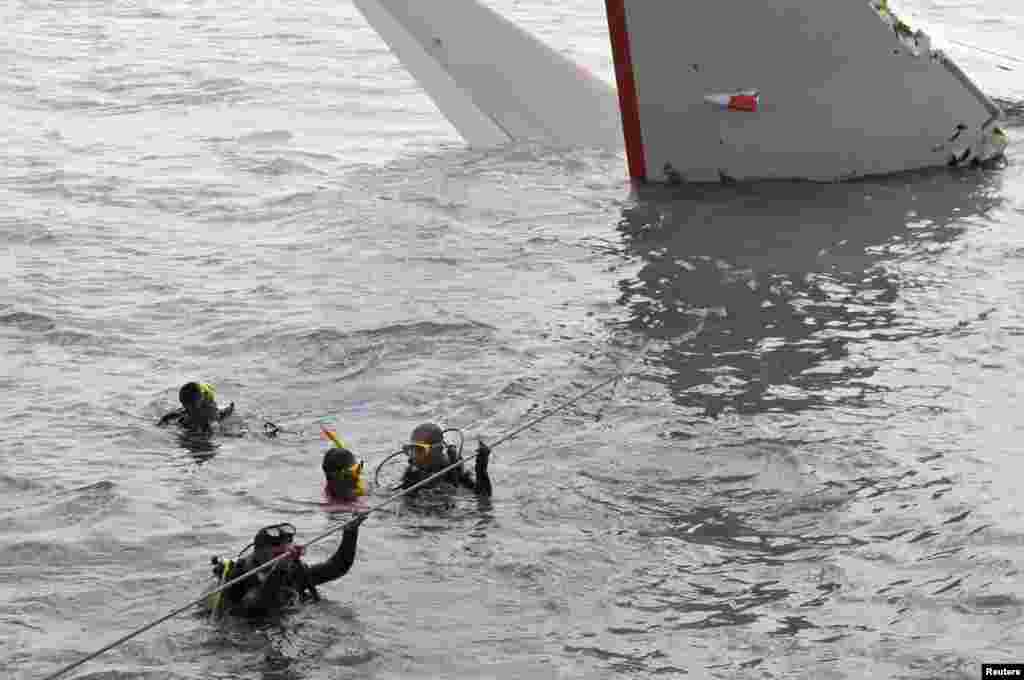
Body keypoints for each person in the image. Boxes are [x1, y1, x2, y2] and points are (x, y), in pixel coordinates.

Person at [207, 515, 365, 618]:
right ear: (259, 552)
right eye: (277, 551)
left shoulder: (294, 569)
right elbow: (259, 607)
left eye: (287, 547)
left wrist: (350, 533)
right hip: (249, 634)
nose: (285, 553)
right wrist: (280, 568)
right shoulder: (241, 575)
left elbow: (337, 567)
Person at [398, 422, 492, 497]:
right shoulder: (412, 474)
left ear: (438, 450)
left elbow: (483, 498)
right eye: (411, 450)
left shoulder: (453, 466)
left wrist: (481, 467)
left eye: (420, 450)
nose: (413, 456)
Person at [158, 382, 235, 433]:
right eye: (210, 402)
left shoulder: (210, 414)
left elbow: (222, 413)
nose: (214, 404)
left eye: (211, 401)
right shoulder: (184, 420)